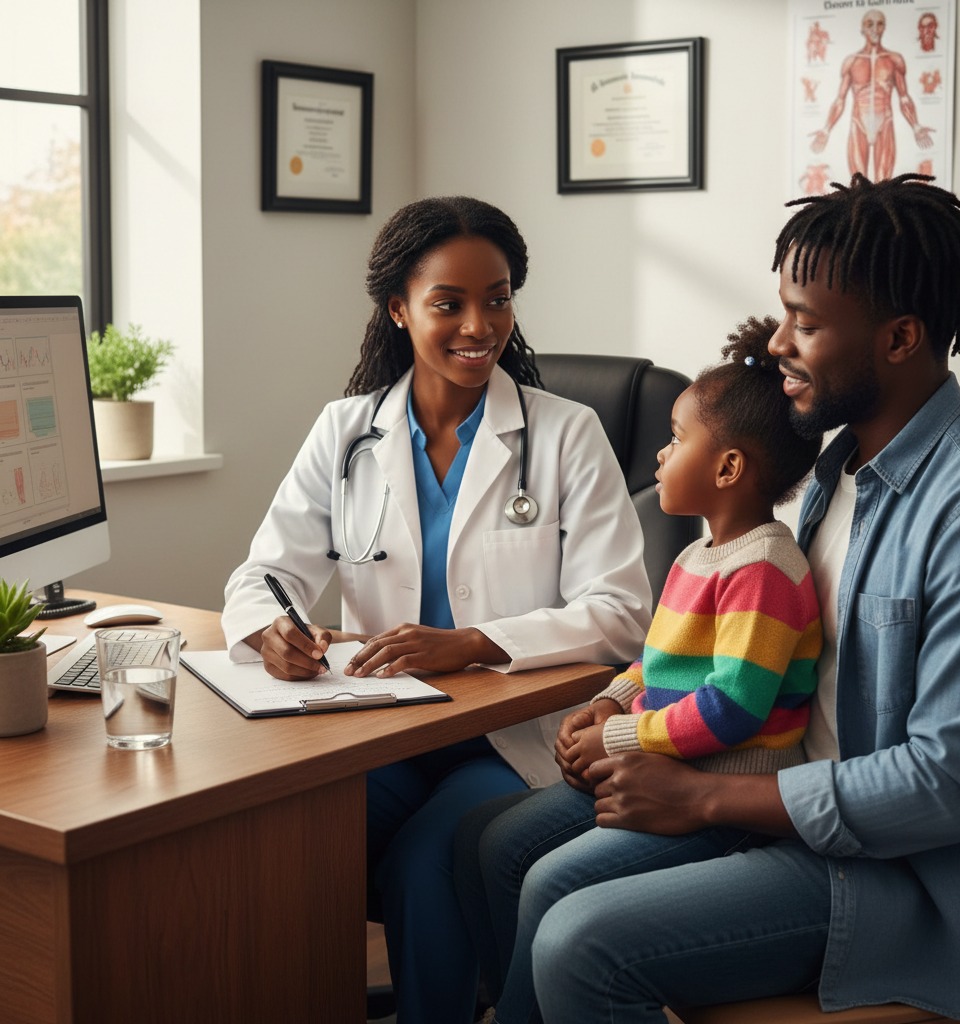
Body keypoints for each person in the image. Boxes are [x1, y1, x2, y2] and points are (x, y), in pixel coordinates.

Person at [456, 174, 960, 1024]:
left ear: (900, 337)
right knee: (496, 849)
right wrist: (631, 719)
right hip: (773, 796)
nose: (783, 343)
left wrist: (706, 798)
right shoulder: (838, 469)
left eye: (808, 323)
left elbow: (950, 785)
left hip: (883, 879)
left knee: (579, 938)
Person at [220, 196, 652, 1024]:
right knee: (276, 831)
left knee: (428, 860)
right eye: (447, 303)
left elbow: (623, 612)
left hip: (510, 736)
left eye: (496, 298)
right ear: (398, 309)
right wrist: (269, 628)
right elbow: (263, 573)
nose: (478, 325)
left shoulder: (566, 434)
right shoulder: (347, 433)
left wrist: (473, 643)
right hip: (383, 725)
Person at [457, 315, 823, 1024]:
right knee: (485, 837)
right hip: (658, 762)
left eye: (677, 439)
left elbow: (733, 708)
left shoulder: (766, 568)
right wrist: (608, 702)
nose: (658, 456)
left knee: (546, 882)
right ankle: (515, 1002)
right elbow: (654, 657)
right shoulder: (695, 556)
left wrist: (620, 740)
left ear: (728, 468)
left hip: (717, 795)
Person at [810, 10, 933, 181]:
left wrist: (916, 127)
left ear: (884, 28)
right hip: (858, 124)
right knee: (858, 188)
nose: (875, 29)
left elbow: (904, 97)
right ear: (862, 29)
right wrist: (826, 129)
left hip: (885, 123)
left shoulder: (894, 59)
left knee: (884, 187)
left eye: (880, 24)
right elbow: (840, 99)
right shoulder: (851, 61)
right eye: (870, 24)